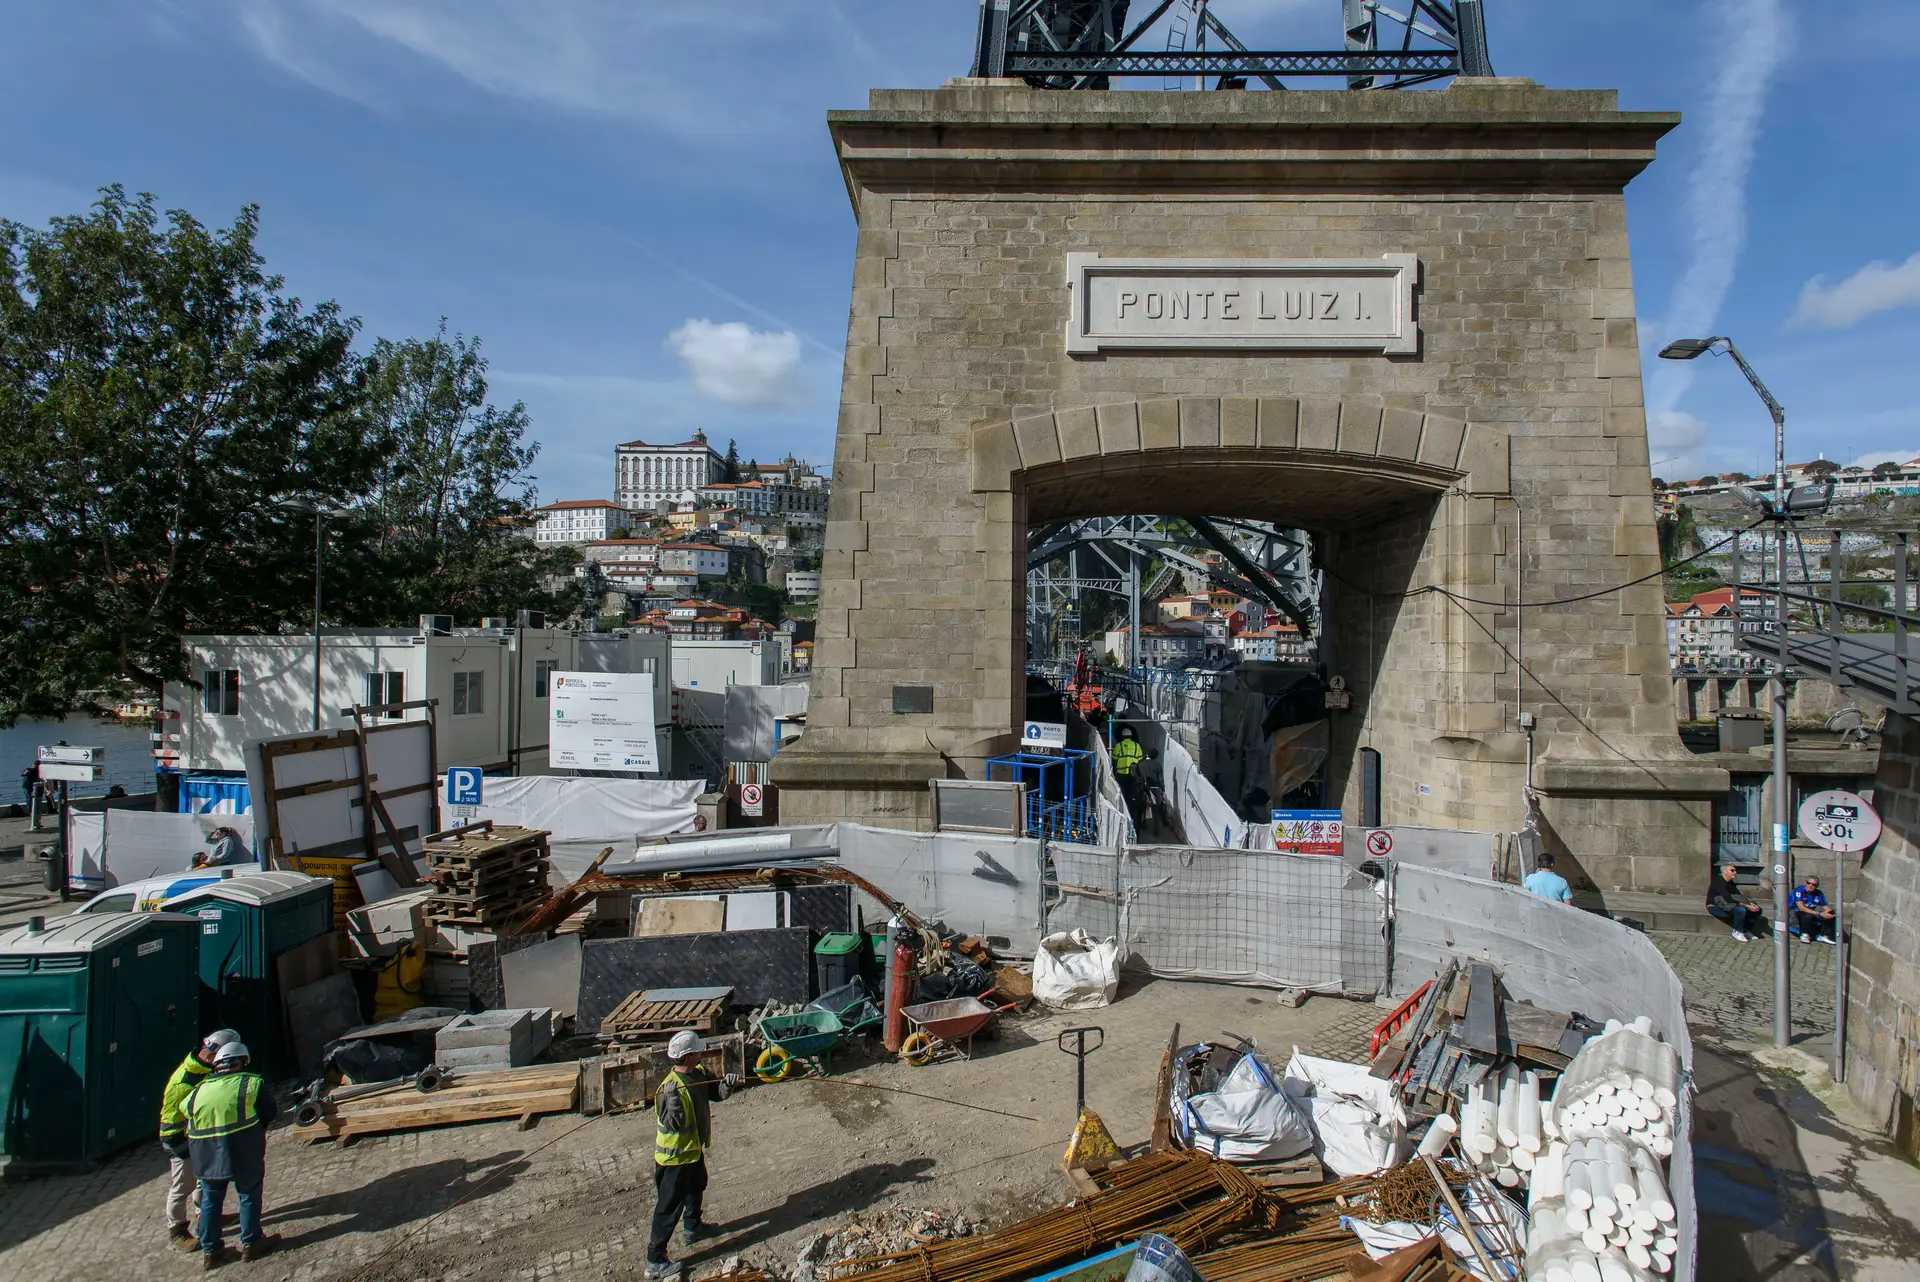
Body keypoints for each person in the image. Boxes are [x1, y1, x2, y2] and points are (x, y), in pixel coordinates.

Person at [183, 1041, 279, 1267]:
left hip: (206, 1154)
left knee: (210, 1201)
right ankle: (251, 1242)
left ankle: (211, 1252)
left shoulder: (198, 1090)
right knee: (248, 1193)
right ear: (242, 1062)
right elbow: (269, 1112)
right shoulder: (250, 1084)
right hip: (242, 1148)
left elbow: (185, 1111)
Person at [159, 1029, 243, 1251]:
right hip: (180, 1141)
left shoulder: (204, 1070)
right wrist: (183, 1150)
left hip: (198, 1137)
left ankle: (204, 1215)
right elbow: (170, 1124)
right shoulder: (184, 1082)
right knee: (182, 1185)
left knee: (202, 1179)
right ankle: (176, 1231)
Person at [647, 1030, 717, 1278]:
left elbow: (716, 1093)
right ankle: (655, 1260)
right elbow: (671, 1124)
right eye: (698, 1050)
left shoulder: (697, 1074)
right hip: (675, 1158)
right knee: (668, 1207)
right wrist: (673, 1108)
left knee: (697, 1186)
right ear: (687, 1056)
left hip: (692, 1151)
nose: (702, 1052)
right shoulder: (670, 1089)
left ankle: (693, 1227)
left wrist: (727, 1085)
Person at [1707, 863, 1766, 941]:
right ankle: (1737, 931)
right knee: (1740, 910)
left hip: (1727, 906)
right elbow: (1728, 899)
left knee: (1757, 910)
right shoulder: (1718, 882)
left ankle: (1745, 930)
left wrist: (1750, 904)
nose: (1735, 872)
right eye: (1732, 870)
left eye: (1735, 870)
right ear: (1724, 871)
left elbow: (1738, 896)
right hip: (1716, 907)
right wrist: (1747, 906)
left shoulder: (1731, 882)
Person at [1791, 874, 1837, 944]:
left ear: (1817, 886)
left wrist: (1829, 914)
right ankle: (1804, 934)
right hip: (1795, 913)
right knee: (1808, 916)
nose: (1810, 886)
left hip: (1809, 913)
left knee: (1831, 915)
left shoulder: (1818, 893)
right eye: (1809, 883)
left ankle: (1823, 935)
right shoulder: (1799, 891)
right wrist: (1819, 914)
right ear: (1805, 883)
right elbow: (1801, 908)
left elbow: (1825, 907)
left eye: (1814, 885)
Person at [1112, 726, 1145, 818]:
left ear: (1123, 737)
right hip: (1133, 776)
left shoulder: (1119, 746)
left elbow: (1114, 759)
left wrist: (1114, 772)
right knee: (1133, 797)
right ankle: (1132, 816)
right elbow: (1140, 761)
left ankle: (1123, 814)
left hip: (1121, 775)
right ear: (1131, 736)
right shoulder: (1137, 746)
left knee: (1122, 796)